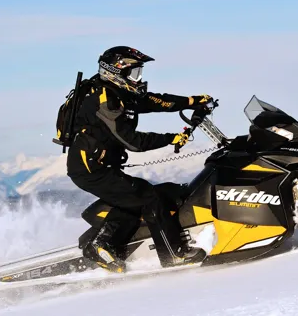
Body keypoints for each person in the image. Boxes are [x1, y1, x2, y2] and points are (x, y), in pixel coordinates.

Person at [66, 46, 214, 273]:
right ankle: (172, 255)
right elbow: (131, 141)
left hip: (100, 165)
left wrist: (191, 101)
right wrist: (170, 138)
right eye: (135, 73)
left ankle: (105, 244)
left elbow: (155, 101)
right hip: (91, 169)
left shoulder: (118, 91)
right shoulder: (105, 99)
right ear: (117, 71)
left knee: (133, 198)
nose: (139, 78)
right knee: (149, 198)